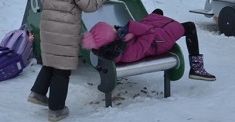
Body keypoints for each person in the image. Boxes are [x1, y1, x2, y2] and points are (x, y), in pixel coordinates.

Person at [27, 0, 122, 122]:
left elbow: (45, 0)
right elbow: (90, 6)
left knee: (50, 62)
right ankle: (56, 110)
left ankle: (37, 93)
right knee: (62, 69)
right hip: (65, 31)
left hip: (47, 27)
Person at [81, 9, 216, 81]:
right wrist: (131, 27)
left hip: (151, 38)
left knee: (157, 12)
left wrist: (130, 30)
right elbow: (148, 34)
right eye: (111, 29)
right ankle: (197, 68)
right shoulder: (129, 52)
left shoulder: (120, 45)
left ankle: (196, 68)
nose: (114, 27)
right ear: (111, 40)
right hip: (159, 43)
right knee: (189, 27)